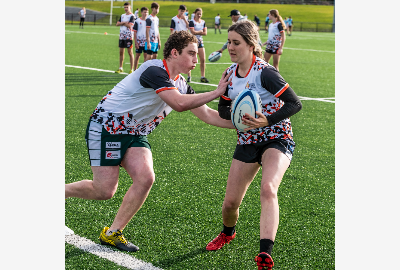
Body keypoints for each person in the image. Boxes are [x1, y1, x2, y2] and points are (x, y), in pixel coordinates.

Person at [65, 30, 234, 253]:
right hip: (107, 127)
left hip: (134, 132)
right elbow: (179, 104)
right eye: (191, 54)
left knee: (146, 178)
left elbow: (209, 115)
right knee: (104, 191)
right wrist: (217, 92)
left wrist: (247, 123)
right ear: (174, 53)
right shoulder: (154, 70)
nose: (196, 59)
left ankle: (113, 232)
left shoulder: (181, 83)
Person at [206, 20, 302, 270]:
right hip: (248, 140)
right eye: (229, 42)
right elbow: (224, 110)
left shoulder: (265, 72)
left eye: (236, 43)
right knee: (230, 204)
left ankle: (265, 254)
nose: (230, 47)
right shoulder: (229, 73)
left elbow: (295, 104)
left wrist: (266, 120)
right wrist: (237, 112)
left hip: (276, 137)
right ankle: (228, 233)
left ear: (251, 45)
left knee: (268, 188)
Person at [170, 5, 192, 82]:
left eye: (184, 11)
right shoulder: (174, 19)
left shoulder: (186, 18)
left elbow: (189, 27)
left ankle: (189, 76)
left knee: (188, 58)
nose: (182, 12)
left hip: (185, 41)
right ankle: (176, 74)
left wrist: (185, 19)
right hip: (177, 41)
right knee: (177, 58)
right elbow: (172, 31)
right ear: (178, 10)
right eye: (181, 11)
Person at [189, 8, 209, 83]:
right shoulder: (191, 22)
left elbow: (205, 33)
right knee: (190, 59)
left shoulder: (203, 22)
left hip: (200, 42)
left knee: (203, 59)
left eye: (200, 14)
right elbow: (192, 32)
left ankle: (202, 76)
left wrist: (199, 32)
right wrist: (200, 31)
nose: (199, 15)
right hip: (192, 42)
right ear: (195, 14)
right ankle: (189, 76)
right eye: (198, 14)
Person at [115, 2, 135, 74]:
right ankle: (120, 68)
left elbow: (130, 25)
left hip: (129, 36)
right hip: (122, 36)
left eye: (127, 7)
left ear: (130, 7)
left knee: (130, 52)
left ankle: (131, 69)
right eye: (125, 7)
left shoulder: (132, 16)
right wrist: (124, 22)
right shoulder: (122, 15)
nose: (126, 9)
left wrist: (122, 23)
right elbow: (117, 24)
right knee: (121, 52)